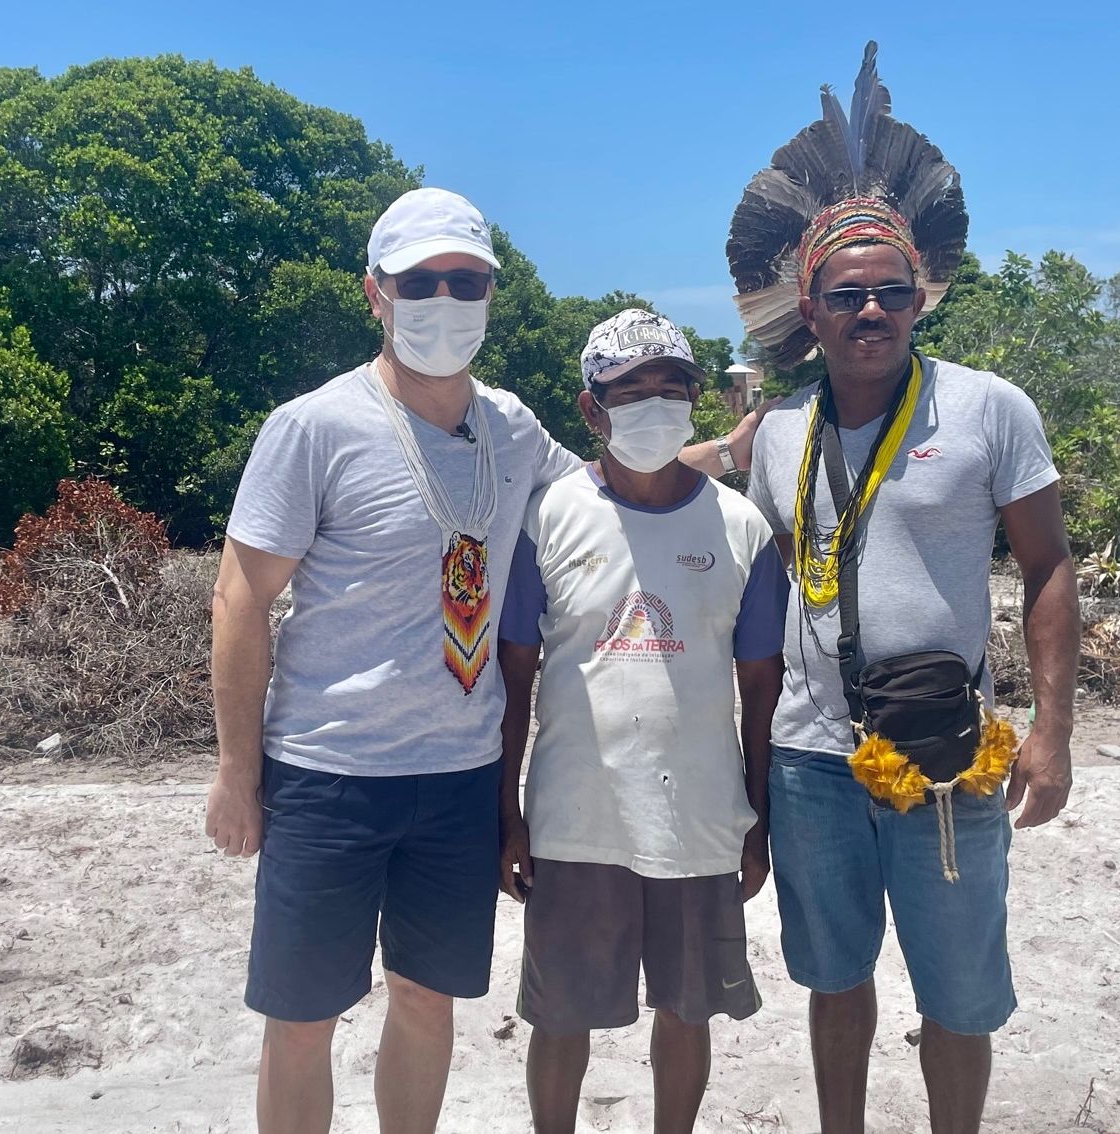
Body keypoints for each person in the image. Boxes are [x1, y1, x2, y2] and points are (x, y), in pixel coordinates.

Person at [205, 189, 765, 1134]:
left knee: (427, 1006)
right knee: (301, 1020)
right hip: (328, 773)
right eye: (419, 281)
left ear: (491, 295)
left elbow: (622, 477)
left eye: (465, 281)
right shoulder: (311, 427)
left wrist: (724, 446)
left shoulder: (510, 429)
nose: (444, 299)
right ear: (373, 293)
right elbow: (239, 598)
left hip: (460, 780)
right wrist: (236, 772)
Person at [722, 45, 1082, 1134]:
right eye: (846, 295)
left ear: (921, 293)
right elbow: (751, 587)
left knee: (959, 992)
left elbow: (1049, 566)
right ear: (809, 305)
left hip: (948, 753)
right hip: (808, 760)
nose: (869, 311)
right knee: (833, 981)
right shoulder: (777, 432)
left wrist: (1054, 730)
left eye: (890, 291)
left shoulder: (989, 410)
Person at [495, 309, 786, 1134]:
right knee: (559, 1016)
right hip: (571, 818)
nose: (653, 404)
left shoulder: (742, 529)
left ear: (698, 399)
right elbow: (514, 676)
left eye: (671, 387)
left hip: (697, 816)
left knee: (686, 1012)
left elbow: (759, 687)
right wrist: (505, 809)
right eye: (630, 390)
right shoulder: (546, 516)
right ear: (592, 409)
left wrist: (758, 820)